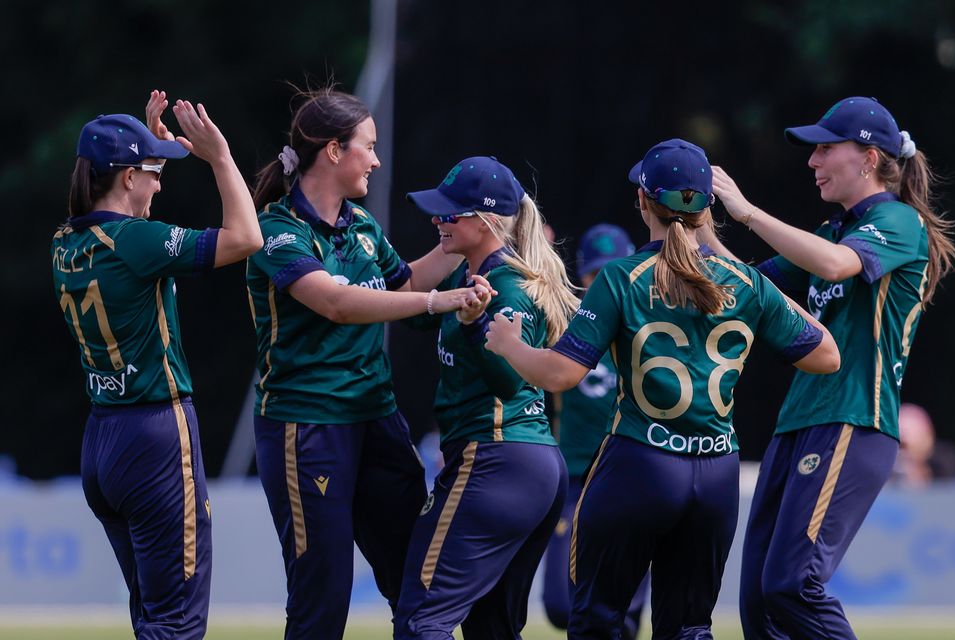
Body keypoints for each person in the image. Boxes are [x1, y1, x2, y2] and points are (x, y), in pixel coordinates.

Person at [483, 138, 841, 639]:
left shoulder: (620, 278)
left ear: (642, 202)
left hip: (639, 465)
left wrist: (509, 344)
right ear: (708, 208)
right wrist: (762, 295)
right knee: (689, 627)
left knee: (597, 620)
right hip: (717, 473)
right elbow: (827, 355)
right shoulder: (744, 282)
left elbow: (560, 375)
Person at [706, 96, 955, 639]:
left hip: (851, 420)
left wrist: (745, 211)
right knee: (758, 606)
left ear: (868, 157)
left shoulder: (896, 219)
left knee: (792, 586)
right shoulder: (831, 230)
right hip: (798, 423)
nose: (812, 162)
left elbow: (837, 265)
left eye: (824, 149)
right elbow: (749, 286)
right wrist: (700, 229)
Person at [246, 89, 491, 640]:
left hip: (376, 420)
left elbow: (402, 281)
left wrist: (468, 236)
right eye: (369, 147)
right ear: (333, 151)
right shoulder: (278, 228)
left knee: (419, 578)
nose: (376, 160)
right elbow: (337, 304)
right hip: (305, 426)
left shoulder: (359, 223)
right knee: (323, 595)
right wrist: (439, 302)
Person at [53, 90, 263, 639]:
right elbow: (247, 238)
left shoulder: (67, 243)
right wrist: (219, 157)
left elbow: (140, 246)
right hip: (156, 438)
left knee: (151, 617)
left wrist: (154, 147)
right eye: (152, 171)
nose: (161, 181)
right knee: (176, 624)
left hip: (103, 441)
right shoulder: (135, 242)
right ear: (125, 177)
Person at [392, 156, 580, 639]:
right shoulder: (471, 277)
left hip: (495, 457)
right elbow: (412, 313)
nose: (438, 220)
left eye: (450, 214)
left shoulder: (506, 290)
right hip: (523, 464)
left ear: (485, 220)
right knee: (492, 630)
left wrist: (476, 327)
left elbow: (508, 382)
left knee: (421, 619)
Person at [541, 223, 649, 638]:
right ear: (581, 275)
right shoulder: (566, 323)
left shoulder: (643, 321)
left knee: (622, 614)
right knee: (559, 604)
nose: (601, 282)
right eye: (594, 274)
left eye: (612, 272)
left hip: (630, 473)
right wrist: (536, 250)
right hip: (574, 477)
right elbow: (536, 298)